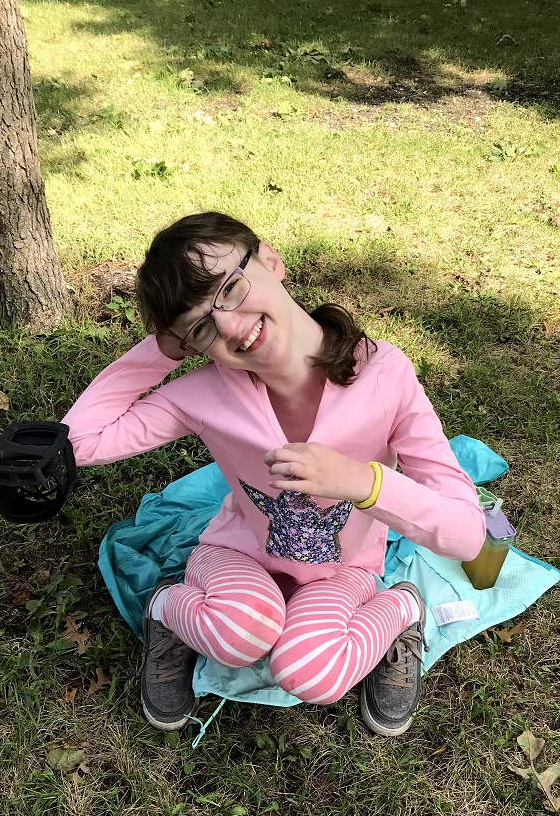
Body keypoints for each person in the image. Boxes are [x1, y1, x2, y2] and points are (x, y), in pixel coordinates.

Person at [62, 212, 485, 738]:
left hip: (342, 568)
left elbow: (467, 536)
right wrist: (166, 343)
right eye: (203, 329)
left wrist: (364, 482)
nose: (233, 328)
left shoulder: (385, 375)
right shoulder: (205, 394)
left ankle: (402, 608)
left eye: (232, 289)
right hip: (236, 551)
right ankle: (166, 610)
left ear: (270, 259)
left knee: (310, 672)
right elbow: (79, 441)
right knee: (243, 635)